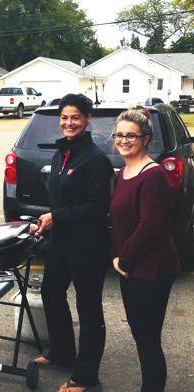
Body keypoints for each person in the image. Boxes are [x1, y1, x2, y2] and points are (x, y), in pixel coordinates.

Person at [31, 94, 113, 392]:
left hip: (88, 244)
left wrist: (57, 216)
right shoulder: (61, 153)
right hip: (62, 240)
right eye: (65, 117)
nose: (69, 122)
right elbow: (59, 197)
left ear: (87, 119)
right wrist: (44, 219)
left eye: (76, 117)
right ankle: (63, 351)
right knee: (52, 293)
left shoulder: (95, 160)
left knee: (88, 308)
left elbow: (96, 207)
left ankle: (86, 376)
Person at [109, 107, 179, 392]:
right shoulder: (124, 172)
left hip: (152, 269)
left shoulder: (153, 176)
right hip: (133, 268)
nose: (124, 140)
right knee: (141, 334)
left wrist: (124, 260)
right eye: (120, 135)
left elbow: (151, 226)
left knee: (148, 337)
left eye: (132, 136)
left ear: (146, 138)